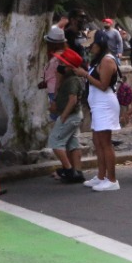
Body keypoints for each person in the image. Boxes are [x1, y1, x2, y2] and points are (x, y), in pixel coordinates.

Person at [75, 34, 121, 191]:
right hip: (97, 104)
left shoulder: (107, 60)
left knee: (105, 142)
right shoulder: (99, 61)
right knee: (97, 140)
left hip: (105, 103)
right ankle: (101, 176)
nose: (90, 47)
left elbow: (103, 85)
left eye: (92, 45)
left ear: (100, 44)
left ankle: (112, 179)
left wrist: (85, 74)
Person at [46, 29, 86, 184]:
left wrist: (63, 117)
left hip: (69, 114)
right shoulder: (69, 79)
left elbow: (72, 100)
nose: (60, 65)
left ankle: (69, 170)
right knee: (72, 143)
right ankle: (77, 170)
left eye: (63, 63)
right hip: (72, 114)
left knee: (56, 141)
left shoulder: (72, 81)